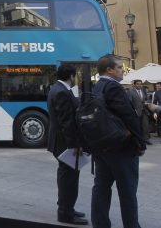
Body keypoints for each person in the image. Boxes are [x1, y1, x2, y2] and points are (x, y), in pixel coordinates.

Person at [91, 54, 146, 228]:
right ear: (109, 70)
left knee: (101, 187)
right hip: (121, 147)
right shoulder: (113, 87)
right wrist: (141, 142)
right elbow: (128, 115)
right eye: (120, 67)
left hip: (102, 147)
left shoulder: (97, 87)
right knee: (127, 191)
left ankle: (100, 224)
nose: (123, 70)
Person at [46, 65, 88, 225]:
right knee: (69, 178)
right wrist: (75, 144)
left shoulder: (56, 88)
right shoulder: (62, 92)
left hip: (60, 141)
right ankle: (65, 213)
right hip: (64, 143)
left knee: (67, 177)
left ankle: (67, 207)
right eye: (75, 74)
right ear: (71, 76)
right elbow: (67, 122)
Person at [128, 80, 152, 145]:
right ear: (135, 85)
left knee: (145, 125)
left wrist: (147, 101)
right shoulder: (130, 91)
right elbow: (130, 102)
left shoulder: (143, 90)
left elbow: (148, 98)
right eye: (138, 84)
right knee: (137, 126)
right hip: (136, 111)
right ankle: (138, 140)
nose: (139, 85)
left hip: (144, 110)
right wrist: (133, 110)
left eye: (140, 84)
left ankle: (146, 139)